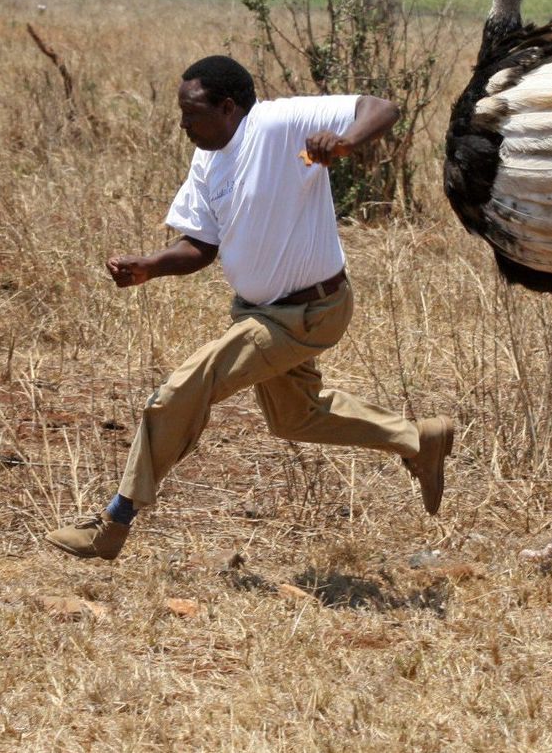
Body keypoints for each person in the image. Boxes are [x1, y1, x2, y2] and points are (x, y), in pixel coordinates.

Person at [45, 55, 455, 560]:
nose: (183, 125)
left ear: (228, 106)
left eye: (192, 113)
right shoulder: (208, 159)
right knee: (296, 418)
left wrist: (345, 142)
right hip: (260, 313)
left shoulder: (279, 125)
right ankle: (418, 439)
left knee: (177, 393)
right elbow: (201, 245)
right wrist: (151, 265)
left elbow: (382, 107)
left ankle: (113, 524)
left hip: (308, 312)